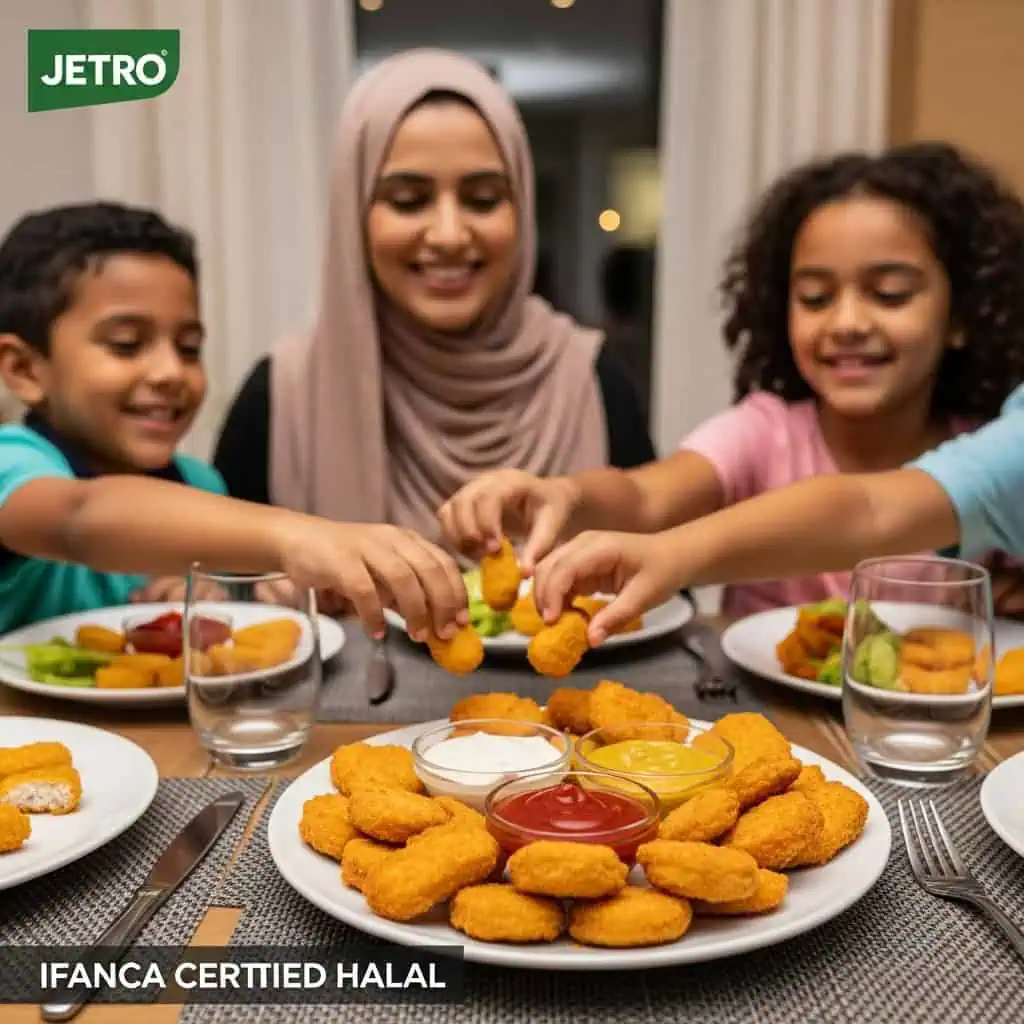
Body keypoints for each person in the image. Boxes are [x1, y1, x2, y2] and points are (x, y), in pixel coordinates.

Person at [440, 143, 1024, 616]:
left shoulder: (987, 455)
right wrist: (565, 495)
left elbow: (872, 510)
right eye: (815, 297)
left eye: (890, 294)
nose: (847, 323)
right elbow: (646, 496)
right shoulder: (763, 432)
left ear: (963, 316)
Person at [213, 49, 655, 560]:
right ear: (355, 214)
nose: (448, 234)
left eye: (483, 199)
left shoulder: (594, 384)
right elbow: (220, 610)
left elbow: (660, 592)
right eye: (408, 200)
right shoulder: (282, 398)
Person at [0, 202, 466, 637]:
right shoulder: (12, 464)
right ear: (23, 369)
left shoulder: (201, 485)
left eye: (188, 348)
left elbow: (227, 614)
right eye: (126, 343)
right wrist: (300, 534)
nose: (169, 373)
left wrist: (250, 594)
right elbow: (79, 518)